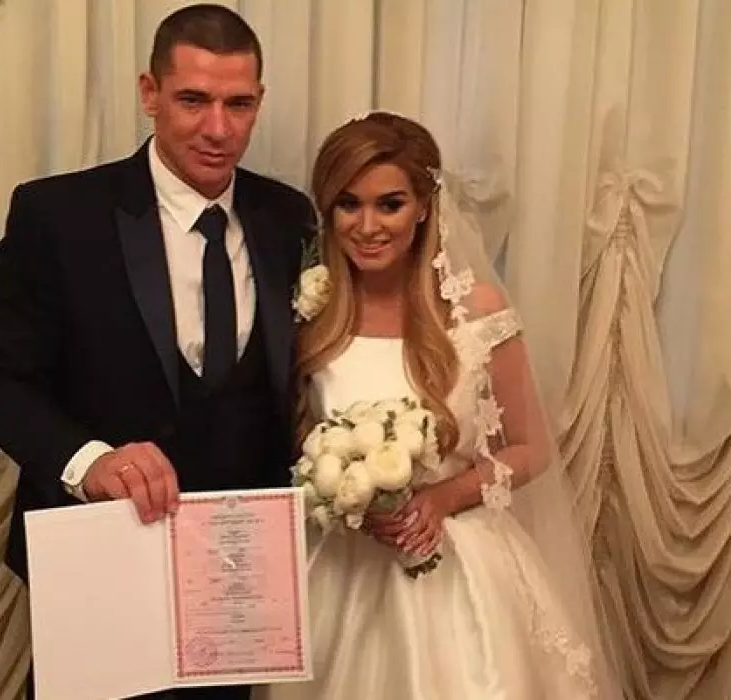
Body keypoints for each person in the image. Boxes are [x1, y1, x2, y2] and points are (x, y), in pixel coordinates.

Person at [0, 5, 314, 699]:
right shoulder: (57, 215)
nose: (218, 128)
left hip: (239, 577)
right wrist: (91, 461)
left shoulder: (289, 218)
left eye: (238, 104)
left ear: (259, 101)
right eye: (193, 100)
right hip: (100, 553)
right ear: (149, 92)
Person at [259, 112, 624, 699]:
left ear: (425, 206)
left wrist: (440, 498)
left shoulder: (476, 310)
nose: (368, 226)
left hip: (457, 566)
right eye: (348, 204)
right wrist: (343, 493)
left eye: (390, 204)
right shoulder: (315, 315)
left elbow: (530, 448)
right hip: (341, 567)